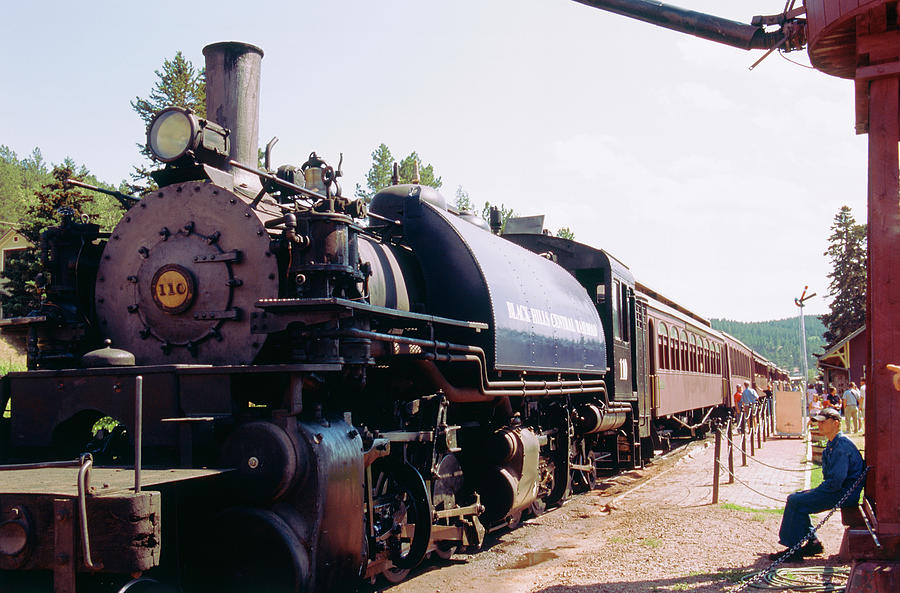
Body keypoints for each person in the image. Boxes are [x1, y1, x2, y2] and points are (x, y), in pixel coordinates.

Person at [769, 407, 865, 561]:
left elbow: (836, 482)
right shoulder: (834, 443)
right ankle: (812, 542)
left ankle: (793, 549)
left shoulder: (841, 447)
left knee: (796, 501)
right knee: (798, 499)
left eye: (823, 422)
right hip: (840, 490)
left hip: (844, 493)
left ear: (836, 424)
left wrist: (817, 491)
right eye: (818, 423)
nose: (819, 426)